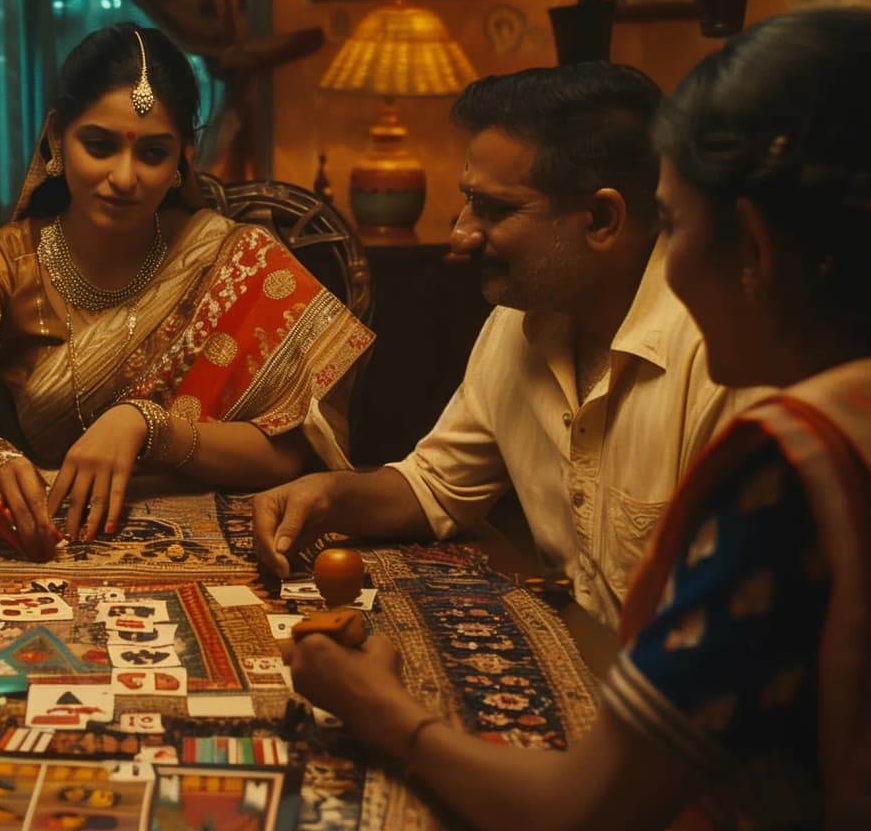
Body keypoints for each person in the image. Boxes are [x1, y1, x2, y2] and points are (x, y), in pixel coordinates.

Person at [286, 8, 871, 831]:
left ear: (757, 251)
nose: (672, 270)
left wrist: (386, 717)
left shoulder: (798, 465)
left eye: (678, 228)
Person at [253, 62, 762, 627]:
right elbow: (440, 487)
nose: (460, 234)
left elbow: (739, 631)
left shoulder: (725, 356)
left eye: (495, 209)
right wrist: (327, 495)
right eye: (467, 201)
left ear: (600, 219)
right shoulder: (520, 317)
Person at [0, 24, 373, 559]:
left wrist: (149, 426)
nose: (124, 177)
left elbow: (286, 455)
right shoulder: (3, 261)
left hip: (210, 540)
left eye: (153, 153)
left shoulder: (234, 258)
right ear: (58, 138)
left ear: (184, 157)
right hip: (52, 537)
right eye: (100, 146)